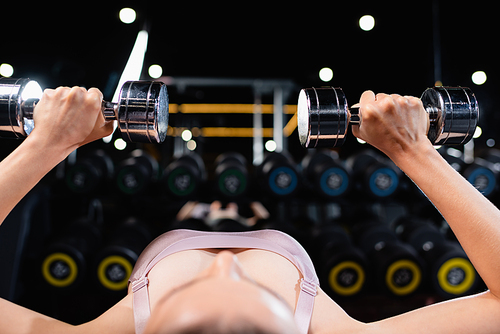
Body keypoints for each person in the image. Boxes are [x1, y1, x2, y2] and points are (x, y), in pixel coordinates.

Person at [1, 85, 500, 334]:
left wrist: (46, 143)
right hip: (262, 221)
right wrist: (413, 150)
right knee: (241, 212)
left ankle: (210, 214)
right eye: (255, 300)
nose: (226, 264)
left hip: (187, 223)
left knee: (206, 212)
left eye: (194, 308)